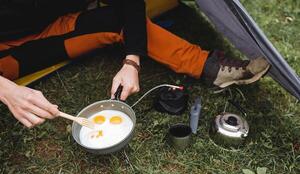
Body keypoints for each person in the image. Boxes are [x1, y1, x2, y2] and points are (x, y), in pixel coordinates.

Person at [0, 0, 270, 128]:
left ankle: (211, 68)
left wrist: (132, 62)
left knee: (121, 19)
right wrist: (7, 90)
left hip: (50, 29)